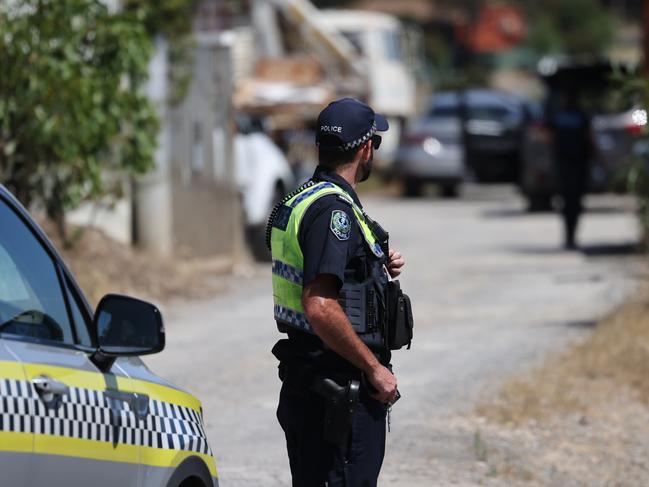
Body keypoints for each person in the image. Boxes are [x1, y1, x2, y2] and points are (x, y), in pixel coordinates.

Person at [266, 98, 410, 486]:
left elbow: (324, 273)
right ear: (365, 149)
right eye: (374, 145)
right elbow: (320, 304)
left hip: (310, 384)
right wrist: (374, 369)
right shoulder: (334, 212)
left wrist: (375, 266)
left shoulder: (306, 199)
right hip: (337, 394)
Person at [548, 88, 593, 250]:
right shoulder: (579, 115)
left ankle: (570, 237)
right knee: (572, 203)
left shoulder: (560, 116)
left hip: (569, 165)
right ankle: (570, 237)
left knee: (569, 203)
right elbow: (590, 139)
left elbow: (548, 136)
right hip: (573, 165)